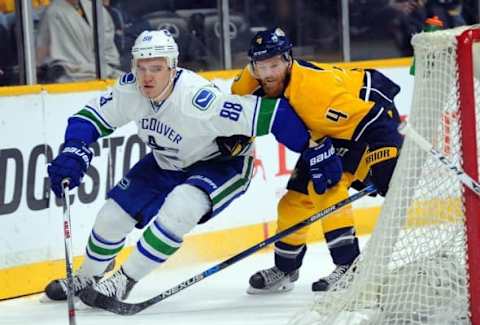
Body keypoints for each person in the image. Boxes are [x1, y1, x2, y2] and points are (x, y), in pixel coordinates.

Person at [43, 29, 318, 306]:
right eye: (141, 67)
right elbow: (88, 118)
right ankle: (87, 276)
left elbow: (277, 116)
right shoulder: (129, 90)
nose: (148, 76)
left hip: (221, 164)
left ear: (173, 68)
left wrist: (315, 150)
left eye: (157, 68)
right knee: (111, 216)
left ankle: (123, 280)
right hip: (167, 161)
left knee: (181, 205)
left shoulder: (199, 101)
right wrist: (74, 150)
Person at [231, 27, 403, 293]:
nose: (267, 74)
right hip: (326, 134)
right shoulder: (258, 77)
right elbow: (237, 94)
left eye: (274, 65)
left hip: (366, 122)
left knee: (328, 189)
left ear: (288, 60)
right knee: (293, 202)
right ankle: (286, 268)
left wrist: (387, 158)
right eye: (260, 66)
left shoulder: (314, 93)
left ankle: (350, 266)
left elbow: (375, 119)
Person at [36, 0, 122, 82]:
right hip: (69, 75)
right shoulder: (53, 13)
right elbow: (42, 50)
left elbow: (108, 41)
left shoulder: (95, 8)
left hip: (103, 71)